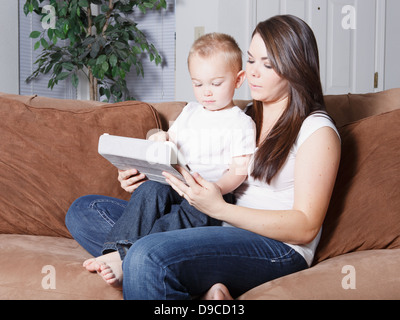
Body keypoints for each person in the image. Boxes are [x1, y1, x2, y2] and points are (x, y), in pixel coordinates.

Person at [66, 15, 341, 299]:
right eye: (251, 60)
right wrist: (145, 165)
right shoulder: (243, 115)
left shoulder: (316, 130)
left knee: (146, 256)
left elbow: (306, 226)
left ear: (297, 67)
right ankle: (193, 280)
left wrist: (218, 208)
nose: (254, 72)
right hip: (213, 222)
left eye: (268, 64)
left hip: (275, 246)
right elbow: (172, 134)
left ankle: (133, 258)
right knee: (85, 210)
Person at [67, 33, 256, 287]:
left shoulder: (240, 122)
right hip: (174, 184)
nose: (206, 92)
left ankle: (129, 258)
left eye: (216, 83)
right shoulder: (190, 111)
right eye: (198, 84)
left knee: (191, 212)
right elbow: (168, 139)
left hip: (210, 196)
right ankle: (118, 251)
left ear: (238, 80)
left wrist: (214, 191)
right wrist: (158, 138)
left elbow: (239, 170)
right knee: (149, 190)